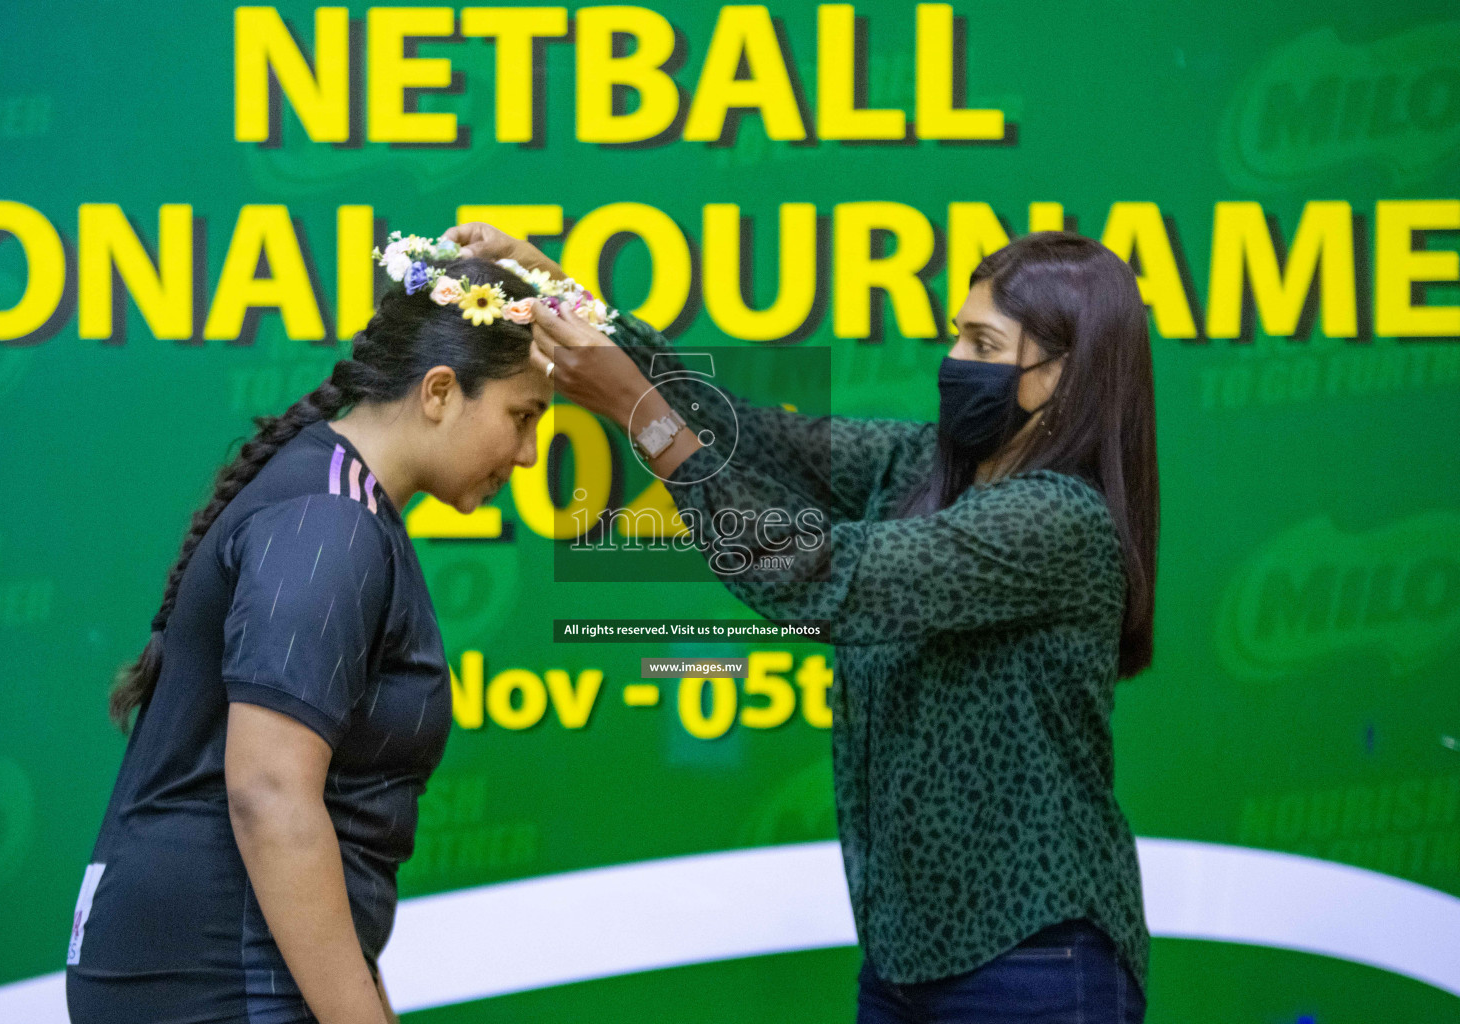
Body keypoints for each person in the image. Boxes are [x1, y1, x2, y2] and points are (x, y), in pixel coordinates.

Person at [449, 224, 1156, 1023]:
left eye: (982, 342)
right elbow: (748, 435)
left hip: (1032, 959)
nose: (954, 360)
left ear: (1060, 373)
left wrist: (634, 411)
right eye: (956, 332)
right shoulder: (922, 468)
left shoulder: (1057, 521)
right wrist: (566, 297)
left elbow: (819, 577)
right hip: (903, 962)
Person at [65, 245, 579, 1024]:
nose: (529, 453)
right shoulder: (328, 521)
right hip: (217, 978)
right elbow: (270, 794)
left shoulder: (340, 506)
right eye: (522, 416)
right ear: (440, 391)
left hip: (224, 966)